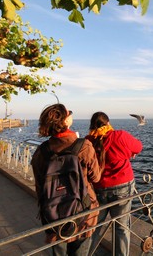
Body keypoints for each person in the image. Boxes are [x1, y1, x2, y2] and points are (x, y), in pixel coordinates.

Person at [31, 104, 101, 256]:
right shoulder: (84, 146)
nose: (71, 115)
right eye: (69, 113)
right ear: (64, 121)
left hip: (53, 213)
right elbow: (96, 177)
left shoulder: (41, 151)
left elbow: (39, 185)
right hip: (83, 212)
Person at [86, 111, 143, 256]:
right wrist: (128, 153)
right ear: (108, 122)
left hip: (99, 188)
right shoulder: (119, 135)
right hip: (123, 186)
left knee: (94, 227)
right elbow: (138, 147)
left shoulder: (88, 141)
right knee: (122, 227)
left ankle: (86, 253)